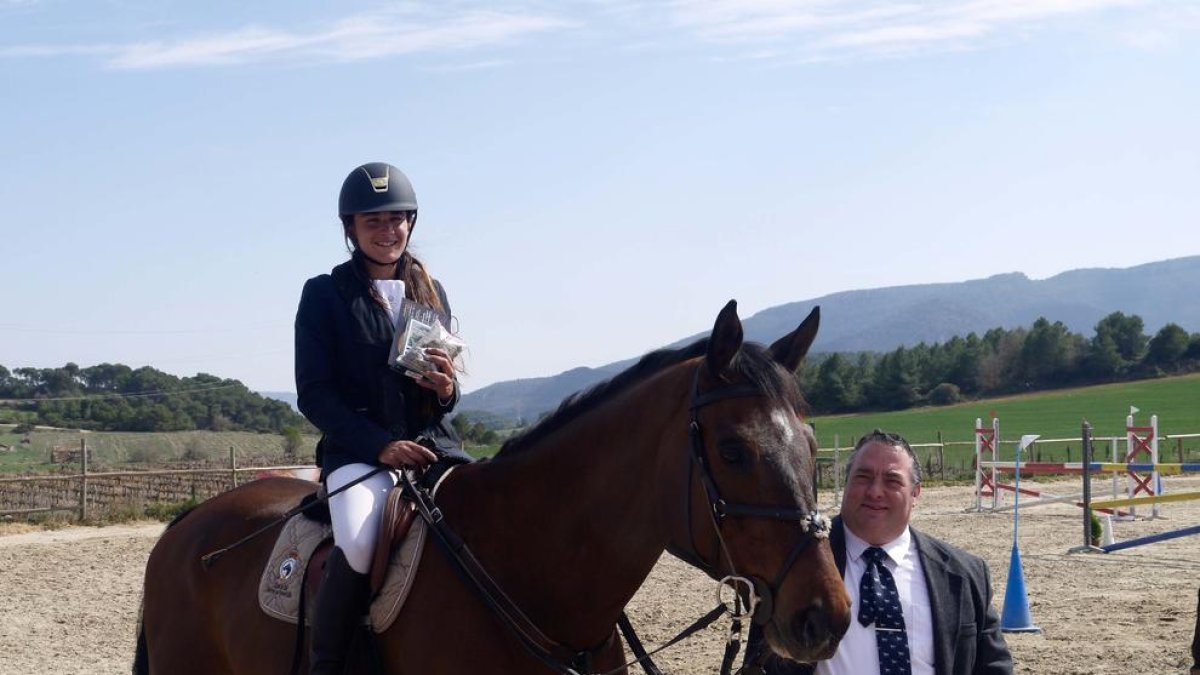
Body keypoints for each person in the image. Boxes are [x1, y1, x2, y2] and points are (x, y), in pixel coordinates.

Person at [294, 161, 470, 675]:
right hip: (360, 456)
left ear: (410, 223)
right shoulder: (325, 296)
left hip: (435, 448)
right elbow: (315, 395)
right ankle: (329, 664)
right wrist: (379, 446)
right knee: (359, 539)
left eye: (396, 219)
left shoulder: (431, 292)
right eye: (373, 222)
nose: (387, 231)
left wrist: (445, 389)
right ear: (350, 229)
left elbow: (442, 393)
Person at [745, 430, 1012, 675]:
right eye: (863, 477)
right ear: (846, 483)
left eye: (892, 481)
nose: (875, 492)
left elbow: (993, 668)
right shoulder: (791, 565)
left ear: (916, 494)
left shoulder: (966, 575)